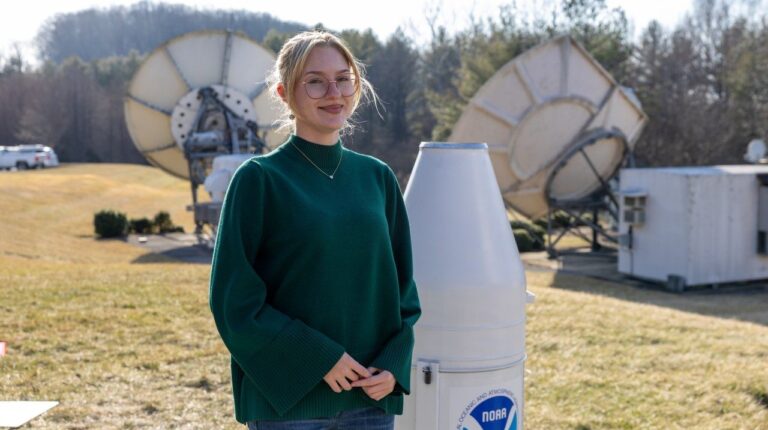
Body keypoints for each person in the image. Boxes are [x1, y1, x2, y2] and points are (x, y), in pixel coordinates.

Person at [208, 30, 421, 430]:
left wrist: (393, 365)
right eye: (315, 81)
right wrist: (318, 359)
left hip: (369, 403)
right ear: (285, 93)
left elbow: (404, 294)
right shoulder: (259, 180)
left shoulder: (377, 178)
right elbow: (235, 303)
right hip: (289, 407)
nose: (333, 92)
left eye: (343, 79)